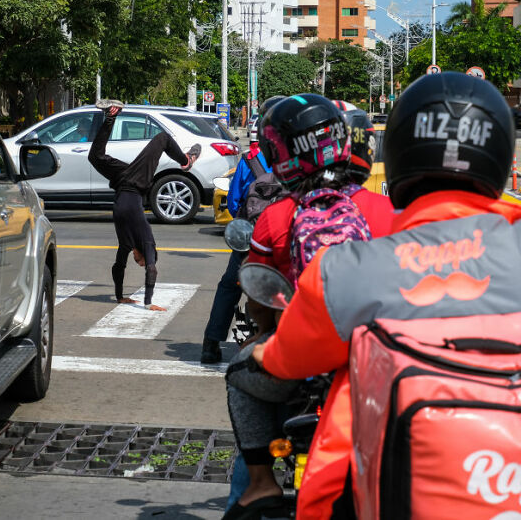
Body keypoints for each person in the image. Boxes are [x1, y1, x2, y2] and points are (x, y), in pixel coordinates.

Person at [251, 72, 520, 517]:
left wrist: (264, 352)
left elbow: (287, 360)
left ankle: (254, 487)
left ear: (394, 154)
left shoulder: (342, 271)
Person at [222, 94, 394, 519]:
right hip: (379, 364)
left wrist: (266, 332)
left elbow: (258, 296)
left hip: (302, 365)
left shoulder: (277, 216)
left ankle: (260, 484)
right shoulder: (386, 211)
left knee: (240, 376)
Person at [88, 99, 200, 311]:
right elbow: (152, 269)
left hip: (122, 179)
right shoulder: (147, 241)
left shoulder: (127, 243)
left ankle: (111, 115)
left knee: (95, 157)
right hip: (138, 180)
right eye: (139, 262)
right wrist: (148, 303)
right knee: (162, 138)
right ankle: (186, 161)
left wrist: (120, 297)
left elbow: (118, 266)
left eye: (138, 262)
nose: (137, 262)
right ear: (147, 254)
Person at [201, 95, 286, 364]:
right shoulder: (295, 161)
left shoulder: (250, 159)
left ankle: (211, 344)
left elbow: (235, 200)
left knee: (229, 285)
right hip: (284, 238)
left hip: (251, 238)